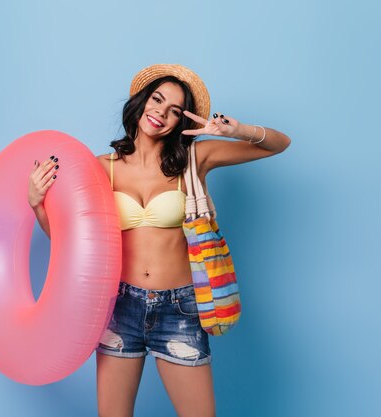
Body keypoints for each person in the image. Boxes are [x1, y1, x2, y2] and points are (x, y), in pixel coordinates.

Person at [28, 64, 291, 417]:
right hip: (119, 307)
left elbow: (279, 144)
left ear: (181, 122)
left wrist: (235, 129)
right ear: (141, 102)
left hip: (179, 308)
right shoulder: (101, 168)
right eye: (156, 100)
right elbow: (71, 243)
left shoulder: (195, 159)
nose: (160, 114)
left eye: (173, 111)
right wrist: (37, 205)